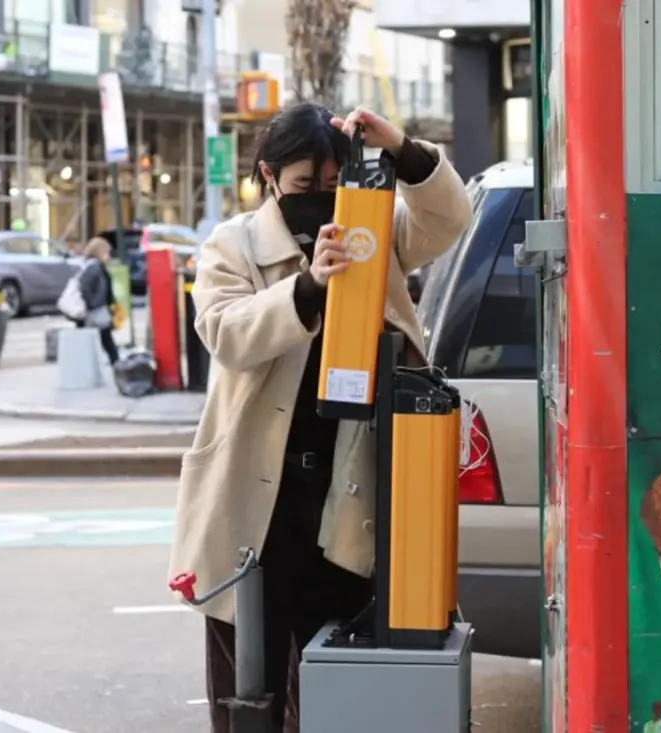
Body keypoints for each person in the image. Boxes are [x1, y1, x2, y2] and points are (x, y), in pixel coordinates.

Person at [168, 103, 473, 733]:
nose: (321, 196)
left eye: (334, 182)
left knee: (334, 683)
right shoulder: (234, 244)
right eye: (305, 184)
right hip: (257, 500)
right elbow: (225, 333)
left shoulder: (373, 231)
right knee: (246, 685)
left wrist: (402, 149)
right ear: (269, 175)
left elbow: (449, 218)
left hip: (346, 495)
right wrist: (308, 287)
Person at [72, 237, 120, 365]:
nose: (109, 256)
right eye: (107, 252)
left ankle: (114, 364)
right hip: (97, 311)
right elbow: (85, 287)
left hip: (96, 310)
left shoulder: (90, 265)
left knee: (102, 341)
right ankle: (116, 365)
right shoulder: (95, 267)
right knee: (107, 341)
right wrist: (94, 303)